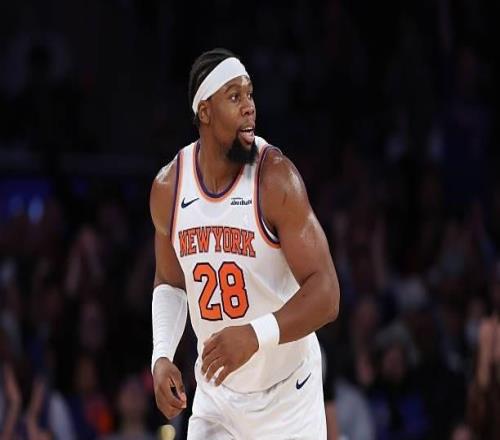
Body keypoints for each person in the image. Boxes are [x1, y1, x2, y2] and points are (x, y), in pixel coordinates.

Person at [150, 48, 340, 439]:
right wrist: (162, 354)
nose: (249, 106)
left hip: (288, 396)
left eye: (250, 94)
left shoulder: (276, 179)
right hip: (218, 397)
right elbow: (169, 282)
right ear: (205, 111)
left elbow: (327, 294)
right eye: (234, 96)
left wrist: (255, 334)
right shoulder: (170, 187)